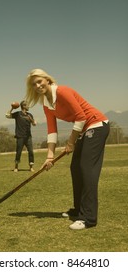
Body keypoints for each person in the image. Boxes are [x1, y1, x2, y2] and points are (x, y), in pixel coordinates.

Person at [25, 69, 110, 230]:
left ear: (47, 80)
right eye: (34, 84)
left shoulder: (62, 91)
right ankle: (78, 210)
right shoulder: (46, 103)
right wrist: (50, 156)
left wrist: (71, 142)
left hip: (97, 125)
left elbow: (81, 116)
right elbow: (52, 130)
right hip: (84, 130)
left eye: (39, 81)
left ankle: (88, 218)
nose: (37, 85)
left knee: (87, 169)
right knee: (76, 168)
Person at [6, 100, 36, 172]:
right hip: (20, 137)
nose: (28, 106)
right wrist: (12, 108)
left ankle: (31, 167)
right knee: (18, 152)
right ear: (24, 106)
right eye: (27, 105)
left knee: (31, 151)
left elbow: (34, 124)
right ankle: (16, 167)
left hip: (28, 137)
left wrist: (31, 120)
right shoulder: (18, 114)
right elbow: (7, 115)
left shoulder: (30, 115)